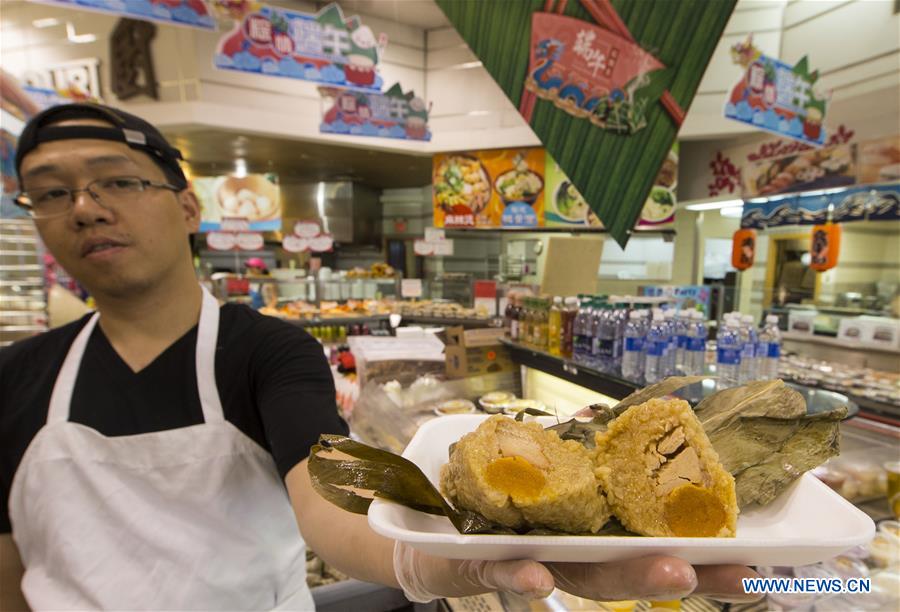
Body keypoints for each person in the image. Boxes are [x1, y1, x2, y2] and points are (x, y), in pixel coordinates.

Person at [0, 103, 761, 609]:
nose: (86, 208)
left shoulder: (265, 351)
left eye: (116, 182)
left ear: (188, 205)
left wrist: (427, 561)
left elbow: (331, 496)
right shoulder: (16, 376)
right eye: (49, 192)